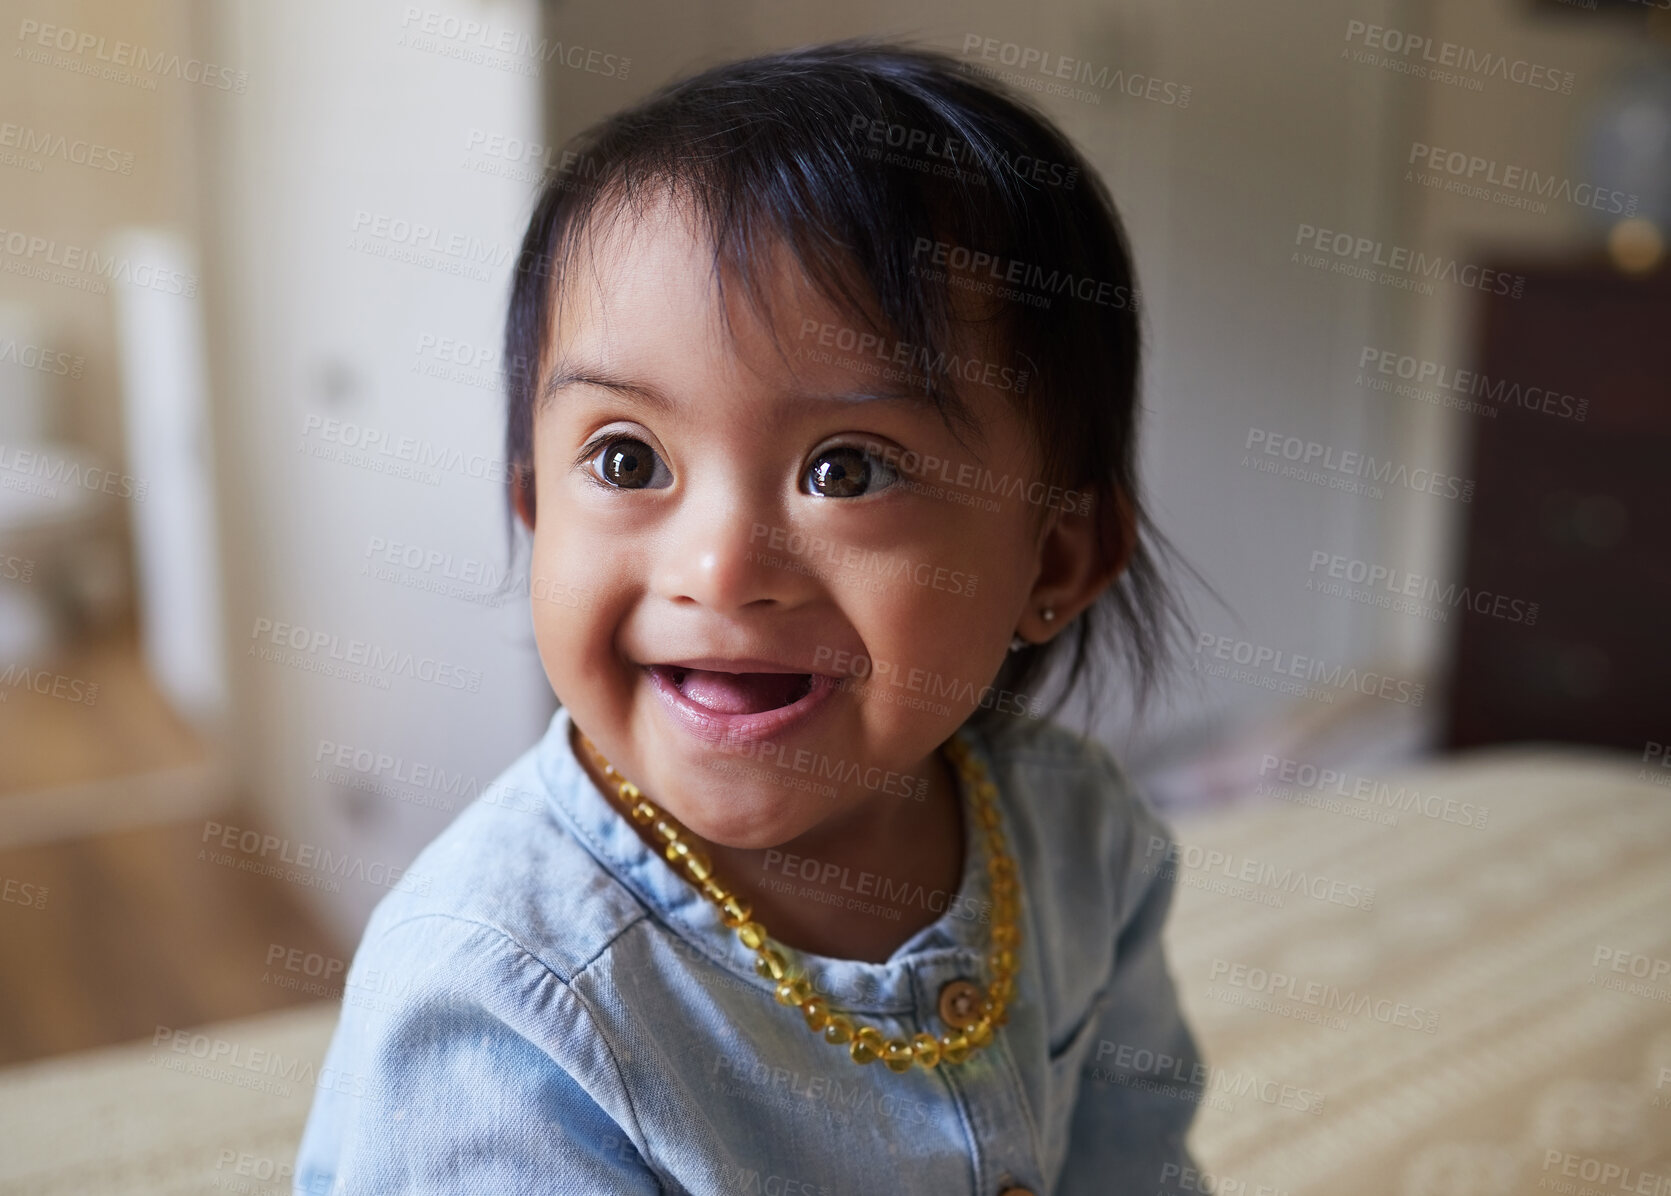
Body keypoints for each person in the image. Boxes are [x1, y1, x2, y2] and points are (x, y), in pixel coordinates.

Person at [296, 39, 1203, 1195]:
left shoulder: (1079, 831)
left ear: (1058, 556)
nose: (720, 570)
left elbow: (1137, 1161)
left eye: (849, 470)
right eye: (626, 457)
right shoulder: (501, 995)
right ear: (532, 507)